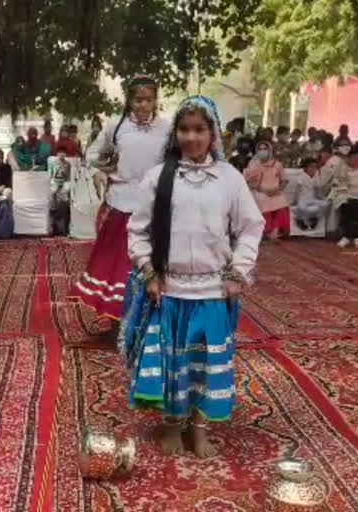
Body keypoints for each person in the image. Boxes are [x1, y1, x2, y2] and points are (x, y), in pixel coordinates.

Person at [122, 95, 264, 458]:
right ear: (175, 134)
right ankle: (172, 427)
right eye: (184, 129)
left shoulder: (229, 179)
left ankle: (199, 431)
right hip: (168, 290)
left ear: (213, 134)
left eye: (200, 129)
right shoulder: (158, 178)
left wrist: (239, 271)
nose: (192, 137)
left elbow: (251, 227)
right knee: (174, 363)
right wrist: (149, 272)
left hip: (215, 291)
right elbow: (138, 231)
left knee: (206, 364)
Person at [67, 75, 170, 325]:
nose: (143, 105)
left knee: (151, 260)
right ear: (129, 100)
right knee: (118, 264)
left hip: (154, 203)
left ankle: (148, 317)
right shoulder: (116, 126)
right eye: (138, 100)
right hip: (121, 201)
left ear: (155, 100)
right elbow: (92, 154)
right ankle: (119, 318)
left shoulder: (167, 129)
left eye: (148, 100)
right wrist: (99, 172)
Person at [245, 139, 290, 241]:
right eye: (260, 149)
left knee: (281, 202)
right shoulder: (253, 164)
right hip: (259, 191)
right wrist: (261, 189)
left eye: (265, 149)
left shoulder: (277, 164)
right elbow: (249, 181)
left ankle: (275, 231)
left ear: (269, 150)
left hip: (275, 191)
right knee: (263, 201)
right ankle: (267, 231)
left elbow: (284, 180)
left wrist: (278, 189)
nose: (262, 151)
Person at [332, 144, 358, 248]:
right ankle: (346, 237)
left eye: (356, 158)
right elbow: (337, 182)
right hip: (348, 196)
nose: (353, 160)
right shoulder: (344, 169)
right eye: (352, 157)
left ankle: (357, 238)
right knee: (347, 214)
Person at [292, 158, 329, 230]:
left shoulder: (316, 176)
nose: (313, 169)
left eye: (315, 167)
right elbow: (297, 190)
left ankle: (314, 218)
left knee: (325, 204)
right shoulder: (301, 176)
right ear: (305, 168)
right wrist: (295, 201)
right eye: (311, 167)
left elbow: (318, 189)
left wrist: (322, 198)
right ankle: (300, 220)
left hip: (312, 199)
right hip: (303, 199)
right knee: (301, 207)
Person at [50, 150, 72, 235]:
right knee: (53, 196)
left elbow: (69, 178)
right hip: (55, 185)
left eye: (63, 152)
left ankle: (65, 229)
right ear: (57, 154)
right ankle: (54, 227)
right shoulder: (53, 163)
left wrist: (64, 186)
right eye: (60, 153)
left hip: (65, 186)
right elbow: (51, 176)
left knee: (66, 203)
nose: (62, 154)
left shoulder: (68, 164)